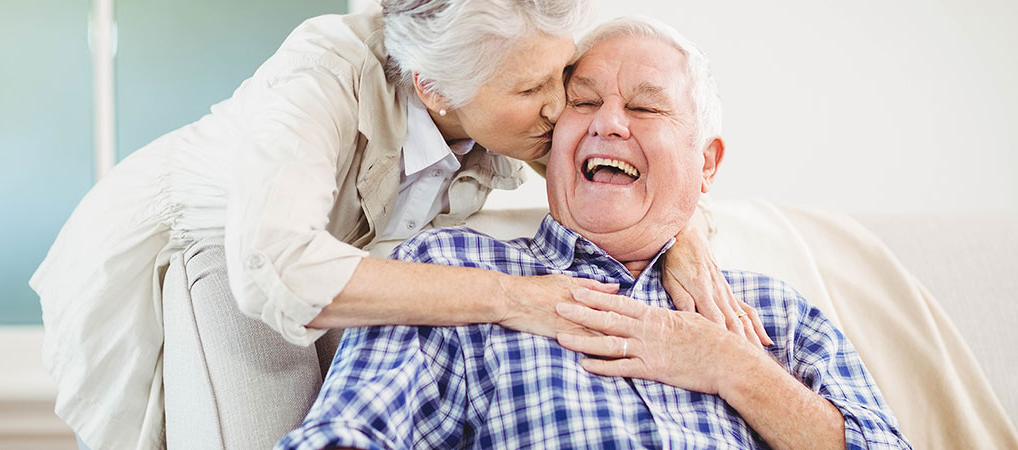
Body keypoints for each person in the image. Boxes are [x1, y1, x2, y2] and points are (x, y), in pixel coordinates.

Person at [31, 2, 770, 449]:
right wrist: (516, 299)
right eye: (530, 88)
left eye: (561, 77)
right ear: (435, 89)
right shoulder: (322, 72)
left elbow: (633, 156)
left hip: (333, 257)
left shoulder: (518, 90)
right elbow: (276, 270)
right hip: (217, 249)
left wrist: (688, 234)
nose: (560, 107)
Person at [278, 15, 910, 449]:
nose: (608, 124)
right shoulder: (449, 272)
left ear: (707, 164)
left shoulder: (774, 317)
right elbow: (345, 433)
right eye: (582, 102)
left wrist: (733, 369)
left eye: (643, 106)